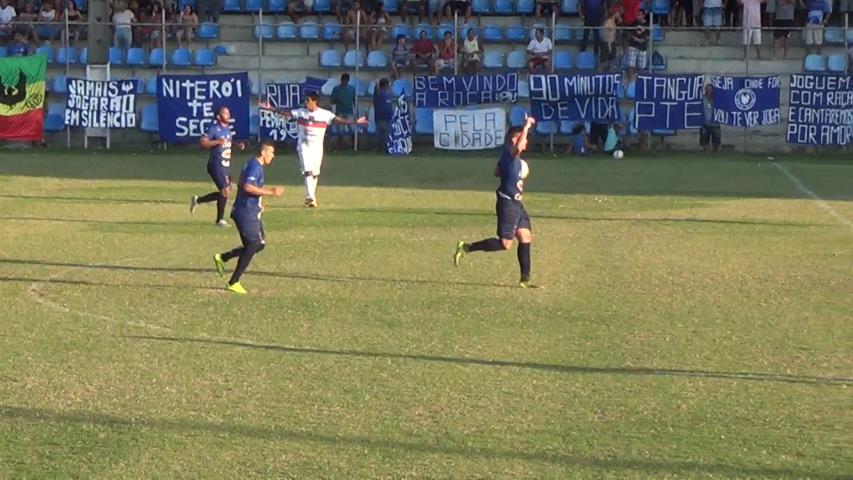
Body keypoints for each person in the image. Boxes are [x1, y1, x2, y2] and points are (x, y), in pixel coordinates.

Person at [453, 116, 537, 288]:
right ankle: (466, 247)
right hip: (508, 204)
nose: (526, 141)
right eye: (523, 137)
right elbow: (517, 149)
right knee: (505, 244)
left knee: (525, 236)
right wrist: (527, 126)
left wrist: (512, 175)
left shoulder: (510, 158)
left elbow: (497, 172)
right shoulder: (510, 153)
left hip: (517, 203)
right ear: (515, 139)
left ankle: (524, 280)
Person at [260, 92, 367, 207]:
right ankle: (310, 197)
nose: (306, 103)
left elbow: (339, 120)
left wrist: (355, 122)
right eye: (305, 100)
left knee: (315, 173)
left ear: (315, 101)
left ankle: (310, 197)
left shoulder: (324, 114)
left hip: (317, 147)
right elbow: (285, 112)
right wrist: (270, 108)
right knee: (308, 170)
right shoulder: (301, 112)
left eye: (308, 100)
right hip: (303, 145)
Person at [213, 142, 285, 295]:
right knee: (253, 245)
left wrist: (259, 203)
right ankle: (233, 282)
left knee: (259, 244)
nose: (273, 156)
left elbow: (241, 183)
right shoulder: (255, 166)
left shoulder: (252, 165)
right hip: (245, 213)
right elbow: (246, 186)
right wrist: (270, 192)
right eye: (271, 152)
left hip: (251, 210)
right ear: (263, 153)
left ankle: (223, 257)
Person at [191, 106, 245, 227]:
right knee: (225, 191)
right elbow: (202, 142)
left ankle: (198, 200)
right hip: (215, 164)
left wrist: (237, 145)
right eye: (225, 113)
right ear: (218, 117)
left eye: (229, 112)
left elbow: (226, 141)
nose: (228, 115)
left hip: (224, 164)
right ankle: (219, 220)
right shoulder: (213, 129)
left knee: (225, 192)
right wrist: (216, 142)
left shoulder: (227, 130)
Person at [330, 73, 356, 150]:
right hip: (340, 112)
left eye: (345, 80)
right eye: (343, 80)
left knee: (353, 130)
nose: (344, 81)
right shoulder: (336, 89)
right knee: (340, 131)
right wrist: (336, 99)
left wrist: (356, 112)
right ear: (341, 80)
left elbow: (355, 101)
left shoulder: (352, 89)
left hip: (349, 112)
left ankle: (354, 146)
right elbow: (332, 100)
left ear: (348, 80)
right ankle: (341, 147)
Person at [373, 78, 393, 152]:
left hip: (388, 117)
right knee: (382, 134)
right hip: (381, 117)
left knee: (386, 134)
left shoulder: (387, 94)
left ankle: (384, 148)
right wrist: (377, 84)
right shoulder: (379, 94)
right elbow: (376, 90)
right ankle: (380, 148)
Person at [700, 84, 721, 152]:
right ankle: (706, 151)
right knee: (704, 138)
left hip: (715, 123)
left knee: (717, 138)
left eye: (711, 90)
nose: (709, 91)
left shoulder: (717, 99)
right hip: (705, 122)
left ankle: (715, 151)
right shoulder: (702, 99)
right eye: (708, 89)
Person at [599, 5, 619, 70]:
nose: (619, 14)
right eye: (617, 13)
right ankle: (600, 75)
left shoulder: (613, 22)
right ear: (614, 13)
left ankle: (610, 74)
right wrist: (609, 44)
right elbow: (604, 33)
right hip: (606, 43)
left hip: (612, 42)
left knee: (612, 60)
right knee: (604, 61)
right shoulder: (608, 22)